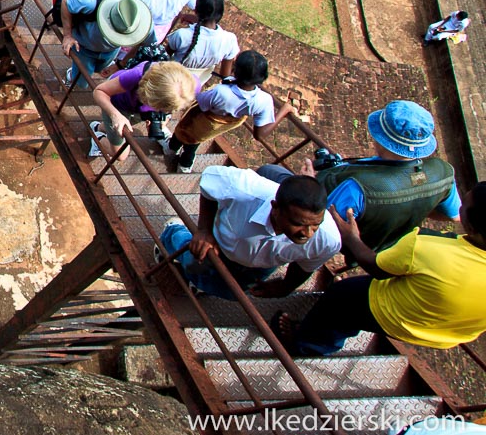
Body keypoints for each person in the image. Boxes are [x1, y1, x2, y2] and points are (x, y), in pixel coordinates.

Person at [274, 181, 486, 357]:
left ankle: (308, 345)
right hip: (448, 335)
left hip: (395, 316)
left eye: (463, 206)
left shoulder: (426, 245)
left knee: (341, 296)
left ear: (473, 226)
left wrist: (351, 237)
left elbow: (376, 267)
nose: (459, 207)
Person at [259, 100, 460, 256]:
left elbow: (316, 225)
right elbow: (453, 215)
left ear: (380, 138)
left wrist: (309, 181)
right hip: (379, 243)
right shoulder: (443, 173)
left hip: (341, 239)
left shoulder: (357, 188)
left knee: (269, 172)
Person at [159, 166, 340, 299]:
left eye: (316, 224)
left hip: (260, 264)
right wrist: (204, 230)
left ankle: (204, 283)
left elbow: (306, 264)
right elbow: (208, 180)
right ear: (275, 208)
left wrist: (286, 286)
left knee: (233, 292)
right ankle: (173, 231)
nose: (307, 233)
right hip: (218, 245)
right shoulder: (243, 188)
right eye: (298, 224)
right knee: (193, 262)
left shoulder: (327, 239)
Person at [167, 50, 292, 174]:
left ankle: (174, 152)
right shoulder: (263, 100)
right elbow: (260, 135)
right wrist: (283, 111)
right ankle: (183, 165)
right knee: (194, 143)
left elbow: (201, 102)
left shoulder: (220, 91)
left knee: (184, 137)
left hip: (198, 122)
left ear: (235, 70)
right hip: (213, 129)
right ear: (262, 78)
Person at [88, 61, 197, 165]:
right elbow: (99, 91)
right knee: (120, 155)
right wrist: (115, 115)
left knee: (116, 127)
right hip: (118, 104)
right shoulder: (136, 76)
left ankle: (97, 128)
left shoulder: (190, 87)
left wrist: (164, 118)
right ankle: (98, 139)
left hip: (138, 109)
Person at [61, 0, 153, 87]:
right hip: (84, 47)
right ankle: (72, 75)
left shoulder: (145, 26)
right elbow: (66, 0)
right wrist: (67, 35)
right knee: (82, 82)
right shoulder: (93, 2)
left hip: (110, 51)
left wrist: (120, 65)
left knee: (99, 70)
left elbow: (145, 44)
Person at [164, 0, 238, 86]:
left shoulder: (182, 36)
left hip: (170, 80)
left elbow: (163, 58)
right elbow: (225, 76)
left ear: (196, 10)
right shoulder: (229, 40)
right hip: (195, 86)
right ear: (220, 14)